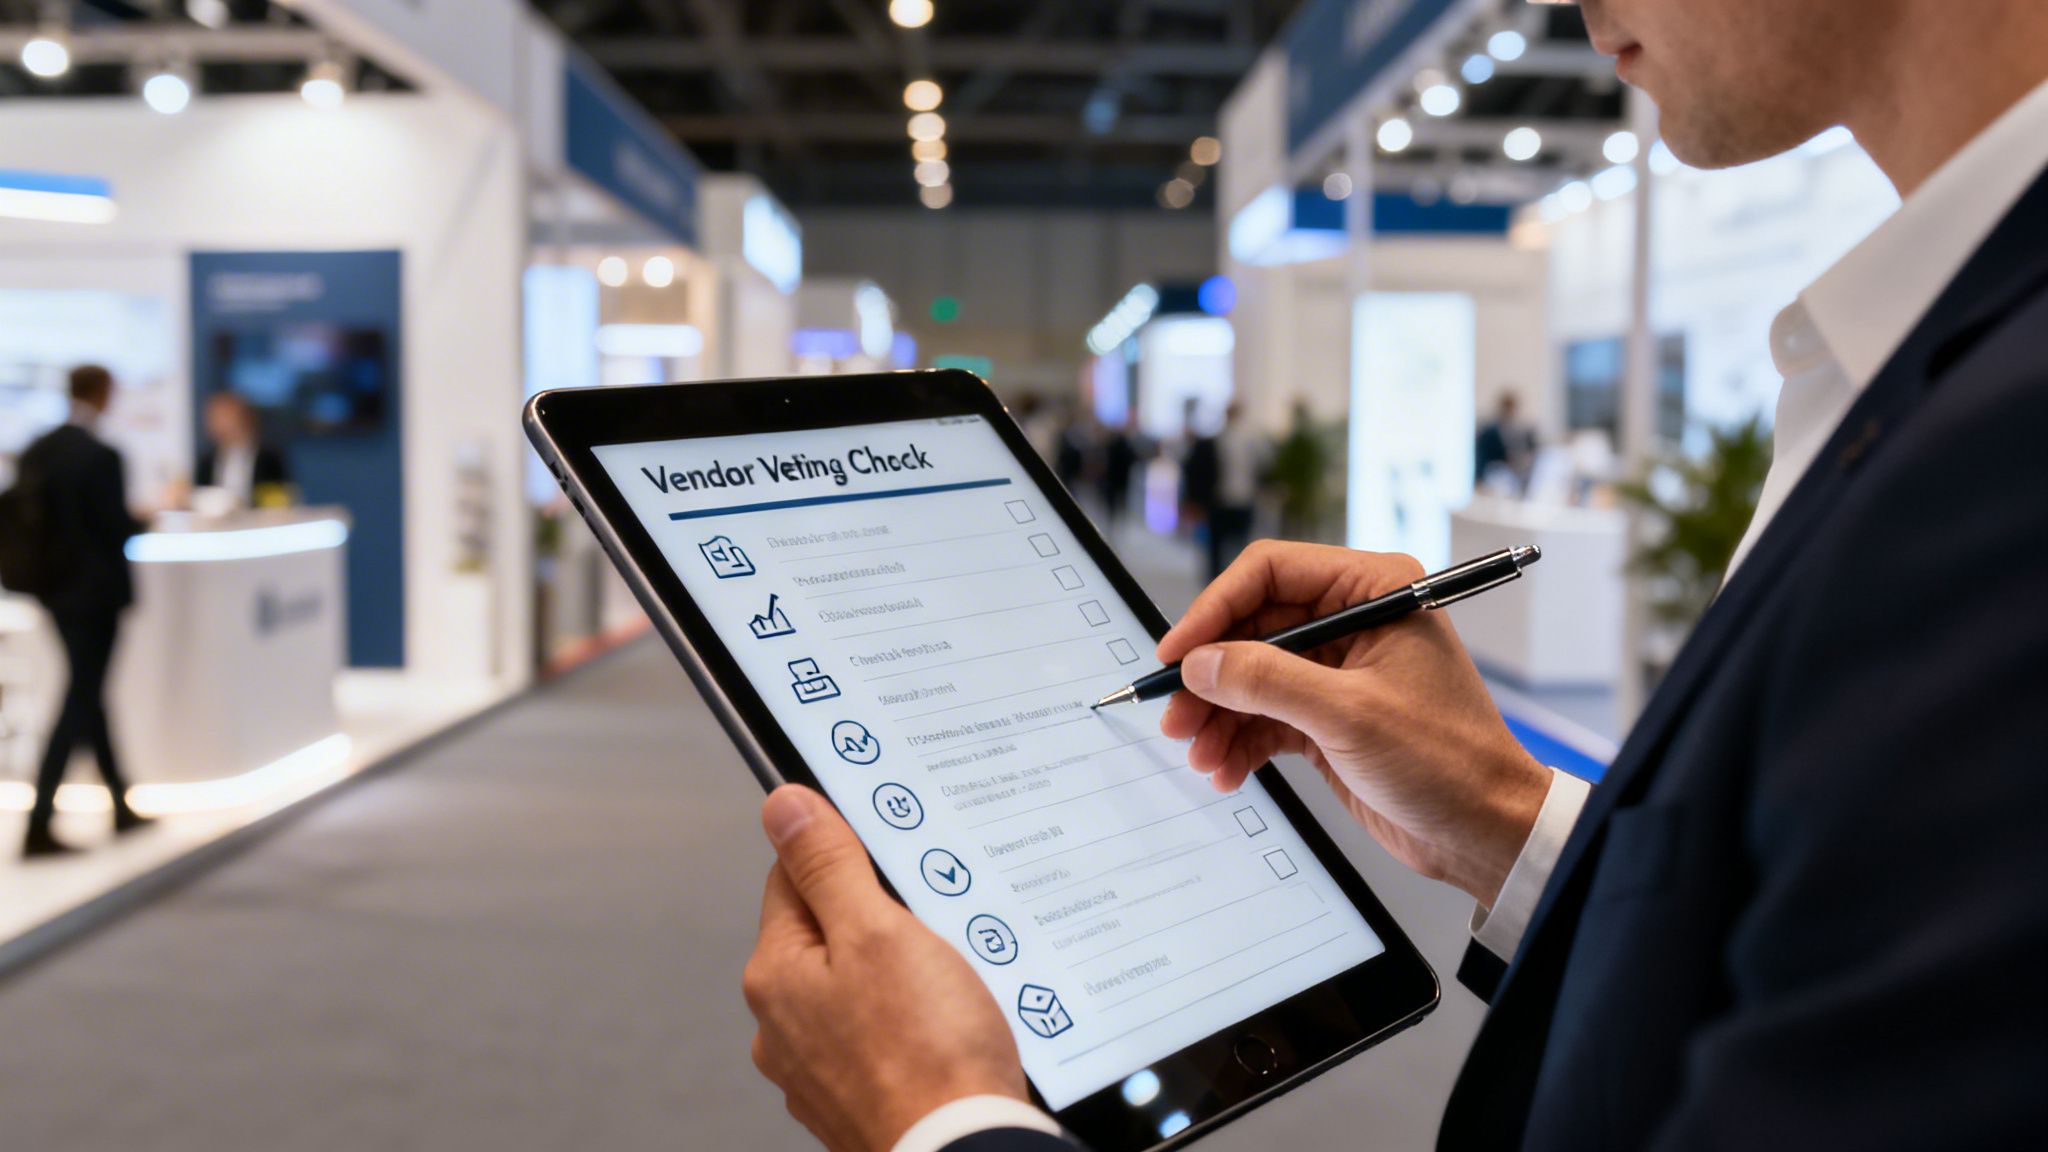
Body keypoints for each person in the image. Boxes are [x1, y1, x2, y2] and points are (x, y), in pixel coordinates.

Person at [740, 2, 2048, 1149]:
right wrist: (1502, 818)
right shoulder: (1926, 361)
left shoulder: (2005, 457)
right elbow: (1828, 957)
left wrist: (942, 1123)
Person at [18, 366, 151, 858]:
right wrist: (146, 518)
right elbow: (116, 528)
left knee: (90, 694)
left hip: (55, 594)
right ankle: (39, 820)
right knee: (80, 699)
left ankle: (120, 803)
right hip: (95, 596)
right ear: (103, 393)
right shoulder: (100, 456)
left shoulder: (39, 449)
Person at [194, 391, 290, 508]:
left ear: (243, 417)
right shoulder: (207, 461)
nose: (218, 424)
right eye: (213, 418)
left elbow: (278, 501)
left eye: (225, 416)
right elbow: (200, 497)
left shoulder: (269, 458)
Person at [1207, 402, 1263, 579]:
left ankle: (1239, 577)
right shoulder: (1219, 437)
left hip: (1243, 497)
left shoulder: (1250, 438)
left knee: (1240, 543)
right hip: (1220, 497)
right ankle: (1216, 577)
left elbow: (1261, 466)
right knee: (1217, 543)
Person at [1473, 391, 1535, 490]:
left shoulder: (1521, 431)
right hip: (1495, 472)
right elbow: (1481, 455)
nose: (1510, 412)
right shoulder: (1490, 431)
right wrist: (1478, 478)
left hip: (1514, 475)